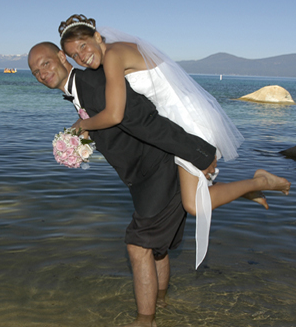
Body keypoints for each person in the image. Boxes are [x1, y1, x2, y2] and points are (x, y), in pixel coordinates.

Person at [28, 42, 290, 327]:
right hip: (143, 178)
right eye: (34, 71)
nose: (41, 73)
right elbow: (116, 128)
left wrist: (197, 152)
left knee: (138, 247)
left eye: (45, 63)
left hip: (158, 170)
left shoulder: (93, 83)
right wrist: (79, 142)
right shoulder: (81, 90)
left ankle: (145, 320)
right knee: (157, 249)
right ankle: (161, 303)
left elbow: (146, 121)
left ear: (62, 58)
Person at [57, 14, 243, 268]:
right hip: (180, 121)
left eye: (83, 46)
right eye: (74, 56)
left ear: (98, 37)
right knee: (192, 203)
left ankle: (258, 182)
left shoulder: (113, 56)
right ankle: (252, 187)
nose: (81, 57)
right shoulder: (117, 52)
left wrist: (81, 125)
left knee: (194, 205)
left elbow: (115, 114)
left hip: (188, 123)